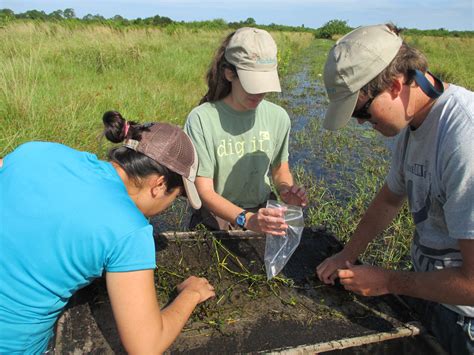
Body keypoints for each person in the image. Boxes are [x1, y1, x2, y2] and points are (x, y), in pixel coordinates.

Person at [316, 24, 473, 354]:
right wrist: (348, 253)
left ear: (395, 85)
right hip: (432, 294)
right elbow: (388, 200)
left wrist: (388, 280)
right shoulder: (413, 122)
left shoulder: (463, 140)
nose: (360, 122)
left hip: (465, 322)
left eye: (361, 111)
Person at [0, 111, 215, 353]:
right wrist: (191, 294)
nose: (169, 205)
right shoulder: (130, 231)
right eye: (176, 197)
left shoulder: (35, 151)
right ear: (159, 185)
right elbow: (146, 346)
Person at [184, 27, 307, 236]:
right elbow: (204, 190)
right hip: (216, 215)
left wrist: (286, 189)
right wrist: (246, 219)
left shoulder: (278, 117)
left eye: (264, 84)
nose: (259, 93)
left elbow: (279, 169)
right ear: (230, 73)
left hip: (262, 210)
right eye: (252, 84)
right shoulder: (202, 119)